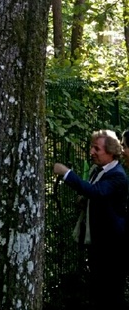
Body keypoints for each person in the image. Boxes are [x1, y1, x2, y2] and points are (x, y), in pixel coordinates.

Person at [54, 129, 128, 310]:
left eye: (97, 149)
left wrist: (67, 174)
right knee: (98, 291)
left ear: (110, 151)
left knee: (111, 293)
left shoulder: (118, 175)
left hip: (112, 246)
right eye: (91, 147)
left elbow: (97, 192)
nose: (91, 152)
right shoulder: (98, 170)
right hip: (98, 244)